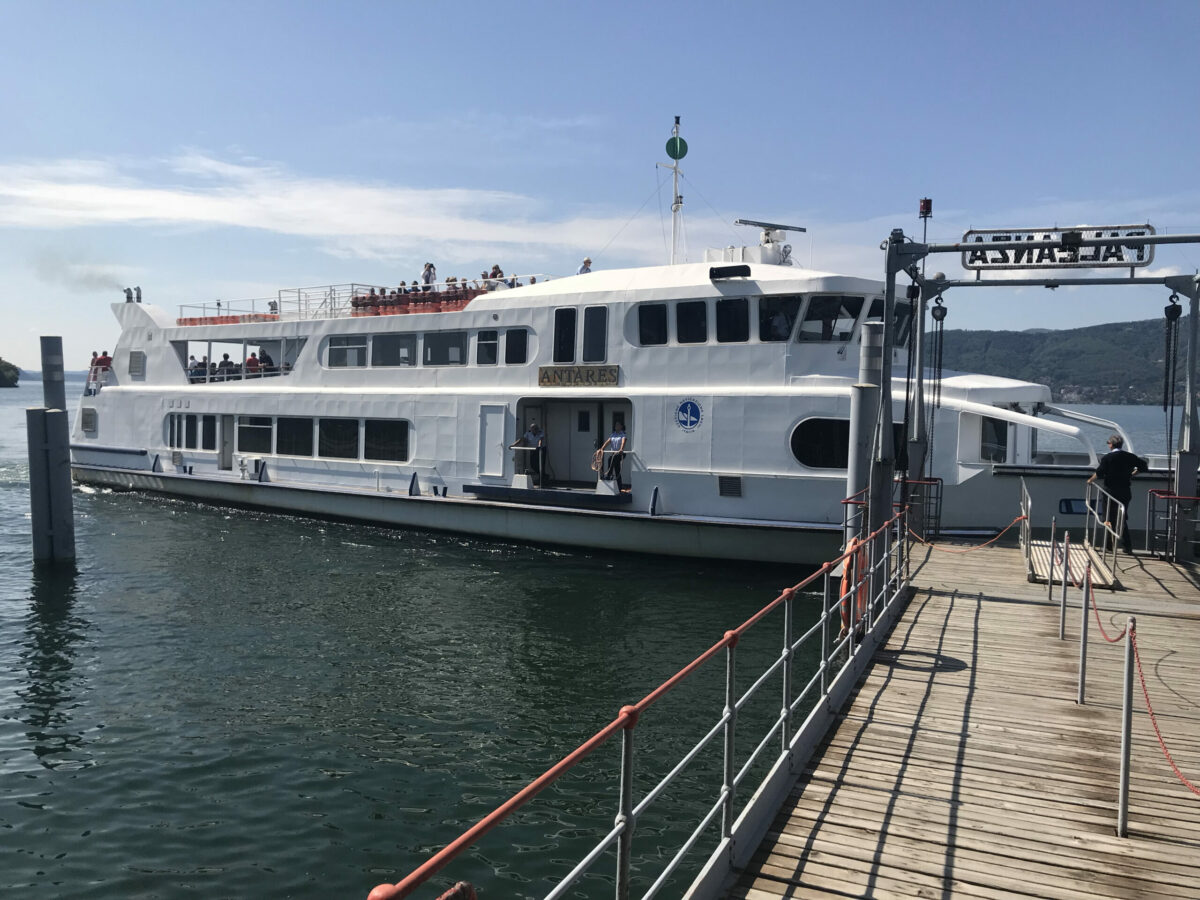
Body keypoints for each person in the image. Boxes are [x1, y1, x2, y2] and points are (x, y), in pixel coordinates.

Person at [1087, 434, 1148, 554]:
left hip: (1110, 491)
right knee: (1122, 518)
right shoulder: (1130, 457)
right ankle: (1127, 546)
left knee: (1108, 518)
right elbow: (1144, 466)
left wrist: (1090, 480)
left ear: (1111, 444)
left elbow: (1099, 473)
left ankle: (1109, 546)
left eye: (1108, 443)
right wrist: (1131, 474)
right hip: (1125, 491)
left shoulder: (1108, 458)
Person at [600, 419, 628, 483]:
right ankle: (619, 486)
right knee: (617, 469)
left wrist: (621, 449)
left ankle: (609, 475)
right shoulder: (613, 434)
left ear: (621, 426)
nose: (616, 426)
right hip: (614, 454)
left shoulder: (623, 434)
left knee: (610, 459)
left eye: (618, 425)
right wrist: (602, 448)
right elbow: (607, 442)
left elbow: (623, 442)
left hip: (620, 454)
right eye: (615, 425)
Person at [523, 422, 545, 486]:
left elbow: (541, 440)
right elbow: (523, 439)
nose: (535, 430)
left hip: (541, 449)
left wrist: (539, 445)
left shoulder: (540, 432)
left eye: (536, 428)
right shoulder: (528, 433)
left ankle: (542, 479)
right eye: (533, 428)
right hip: (533, 450)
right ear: (531, 429)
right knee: (532, 464)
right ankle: (541, 476)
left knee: (541, 464)